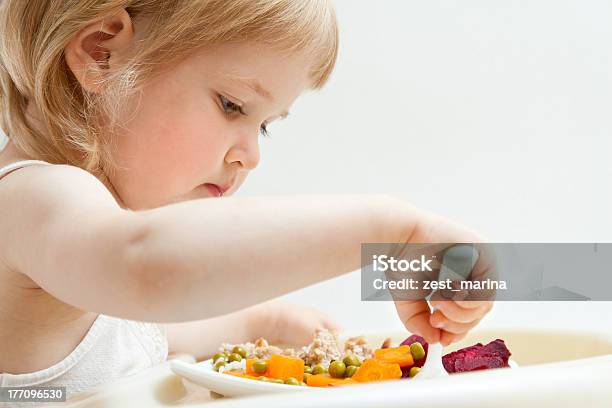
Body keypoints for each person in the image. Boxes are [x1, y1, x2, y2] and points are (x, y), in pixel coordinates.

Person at [0, 0, 492, 396]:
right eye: (231, 105)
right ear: (101, 50)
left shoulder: (82, 260)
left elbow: (142, 332)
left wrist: (267, 321)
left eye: (263, 127)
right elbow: (146, 266)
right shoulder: (31, 196)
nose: (251, 155)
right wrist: (392, 231)